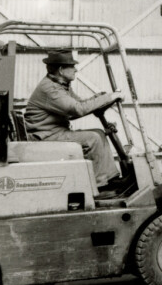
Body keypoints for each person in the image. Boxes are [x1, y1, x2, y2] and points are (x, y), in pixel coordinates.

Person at [23, 50, 124, 197]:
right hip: (44, 136)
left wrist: (98, 98)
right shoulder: (50, 89)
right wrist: (111, 97)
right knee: (93, 138)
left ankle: (110, 179)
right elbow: (78, 109)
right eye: (72, 66)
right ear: (61, 70)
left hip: (54, 132)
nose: (75, 69)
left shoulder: (61, 85)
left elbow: (79, 105)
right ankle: (99, 187)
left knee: (99, 133)